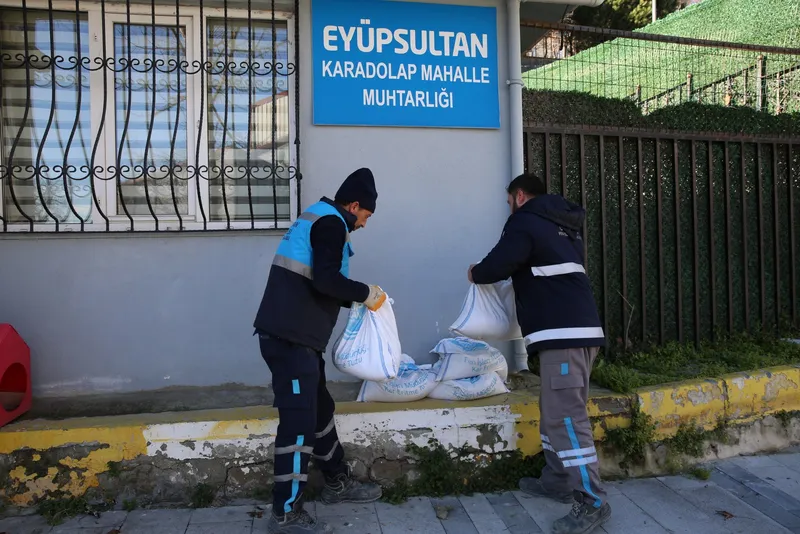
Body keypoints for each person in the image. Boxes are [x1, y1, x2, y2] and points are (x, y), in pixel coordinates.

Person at [467, 173, 611, 534]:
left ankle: (591, 501)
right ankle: (558, 480)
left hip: (563, 335)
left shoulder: (526, 220)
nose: (509, 208)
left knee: (566, 418)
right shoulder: (564, 227)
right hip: (577, 331)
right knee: (554, 412)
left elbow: (497, 264)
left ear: (519, 196)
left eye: (509, 202)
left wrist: (475, 273)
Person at [254, 168, 386, 534]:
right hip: (290, 339)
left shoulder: (318, 215)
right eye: (366, 215)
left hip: (298, 338)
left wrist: (357, 297)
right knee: (298, 426)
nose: (365, 223)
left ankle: (336, 481)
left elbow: (317, 279)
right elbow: (326, 280)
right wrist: (364, 293)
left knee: (320, 410)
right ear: (354, 205)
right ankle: (285, 513)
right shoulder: (330, 224)